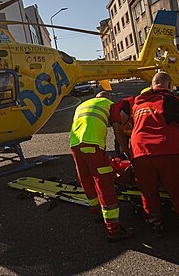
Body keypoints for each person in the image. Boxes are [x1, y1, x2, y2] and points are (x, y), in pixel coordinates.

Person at [130, 72, 179, 238]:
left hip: (140, 152)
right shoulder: (176, 102)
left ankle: (155, 224)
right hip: (168, 150)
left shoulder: (138, 104)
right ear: (169, 85)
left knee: (148, 191)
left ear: (153, 85)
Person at [70, 91, 133, 243]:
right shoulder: (108, 104)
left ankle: (96, 213)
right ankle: (114, 230)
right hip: (93, 145)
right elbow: (118, 129)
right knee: (104, 184)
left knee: (86, 179)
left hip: (75, 145)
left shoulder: (82, 105)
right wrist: (126, 151)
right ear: (107, 98)